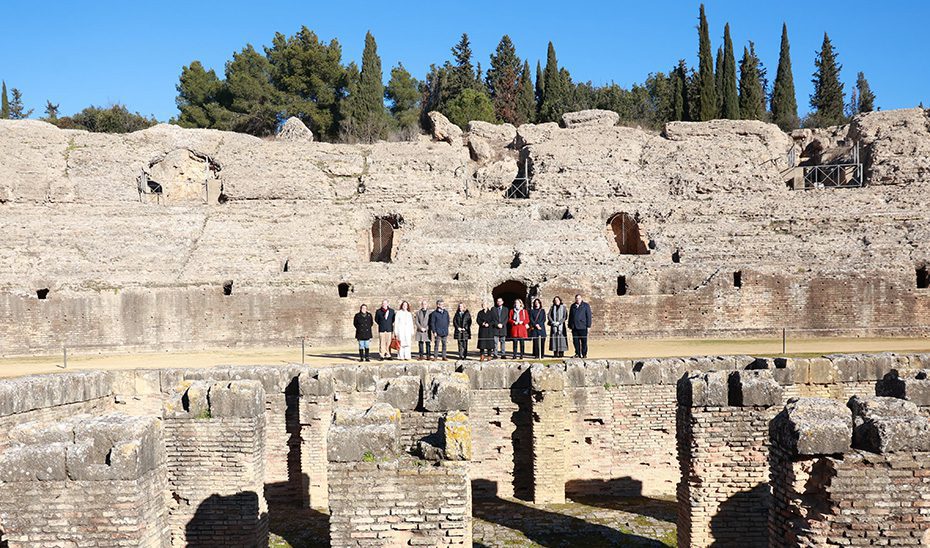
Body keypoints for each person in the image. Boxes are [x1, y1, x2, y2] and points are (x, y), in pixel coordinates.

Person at [568, 293, 593, 358]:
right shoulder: (573, 306)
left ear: (581, 299)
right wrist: (570, 325)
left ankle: (584, 354)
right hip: (574, 327)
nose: (578, 299)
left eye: (579, 298)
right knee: (576, 342)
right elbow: (570, 316)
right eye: (576, 298)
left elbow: (589, 316)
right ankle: (577, 354)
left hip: (583, 327)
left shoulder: (586, 305)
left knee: (584, 342)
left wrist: (588, 326)